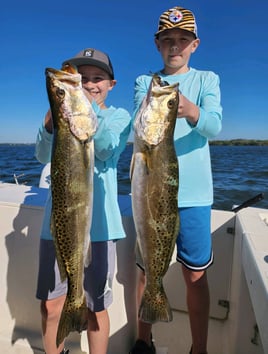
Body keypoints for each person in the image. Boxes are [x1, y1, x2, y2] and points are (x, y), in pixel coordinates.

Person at [129, 6, 222, 354]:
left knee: (195, 276)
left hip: (195, 197)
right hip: (151, 196)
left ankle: (199, 347)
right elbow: (141, 122)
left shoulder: (207, 80)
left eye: (183, 40)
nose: (175, 46)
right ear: (157, 44)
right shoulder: (145, 83)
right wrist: (162, 103)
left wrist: (191, 109)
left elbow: (214, 125)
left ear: (195, 44)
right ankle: (143, 340)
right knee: (146, 271)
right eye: (167, 40)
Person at [35, 48, 131, 354]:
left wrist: (85, 110)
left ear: (111, 84)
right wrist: (51, 123)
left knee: (95, 307)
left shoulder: (118, 116)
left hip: (100, 229)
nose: (90, 84)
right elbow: (40, 155)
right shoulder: (61, 117)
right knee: (51, 305)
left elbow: (105, 149)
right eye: (82, 78)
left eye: (97, 78)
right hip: (58, 226)